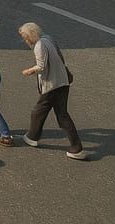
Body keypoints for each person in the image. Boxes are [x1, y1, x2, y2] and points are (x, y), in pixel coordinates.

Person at [18, 22, 87, 160]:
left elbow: (41, 66)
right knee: (56, 113)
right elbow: (61, 56)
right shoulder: (48, 38)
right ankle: (33, 137)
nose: (25, 41)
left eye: (25, 37)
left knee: (43, 112)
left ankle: (76, 147)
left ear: (31, 35)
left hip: (51, 85)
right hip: (62, 81)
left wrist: (28, 71)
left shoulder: (39, 45)